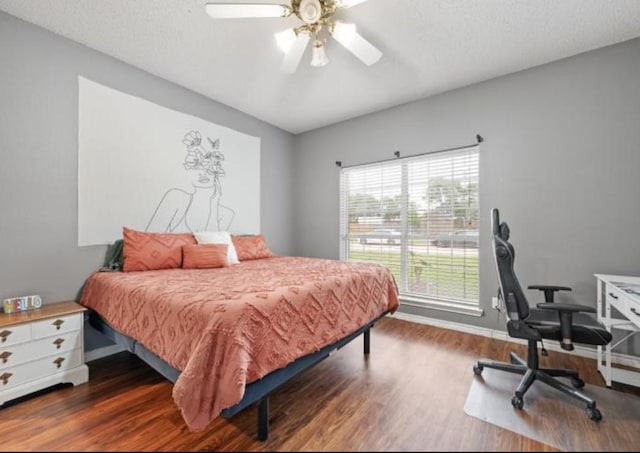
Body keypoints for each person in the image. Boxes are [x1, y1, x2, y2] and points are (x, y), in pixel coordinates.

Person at [146, 130, 235, 233]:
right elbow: (146, 241)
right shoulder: (176, 197)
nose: (203, 173)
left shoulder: (226, 214)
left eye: (208, 167)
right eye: (196, 165)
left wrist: (214, 204)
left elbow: (215, 245)